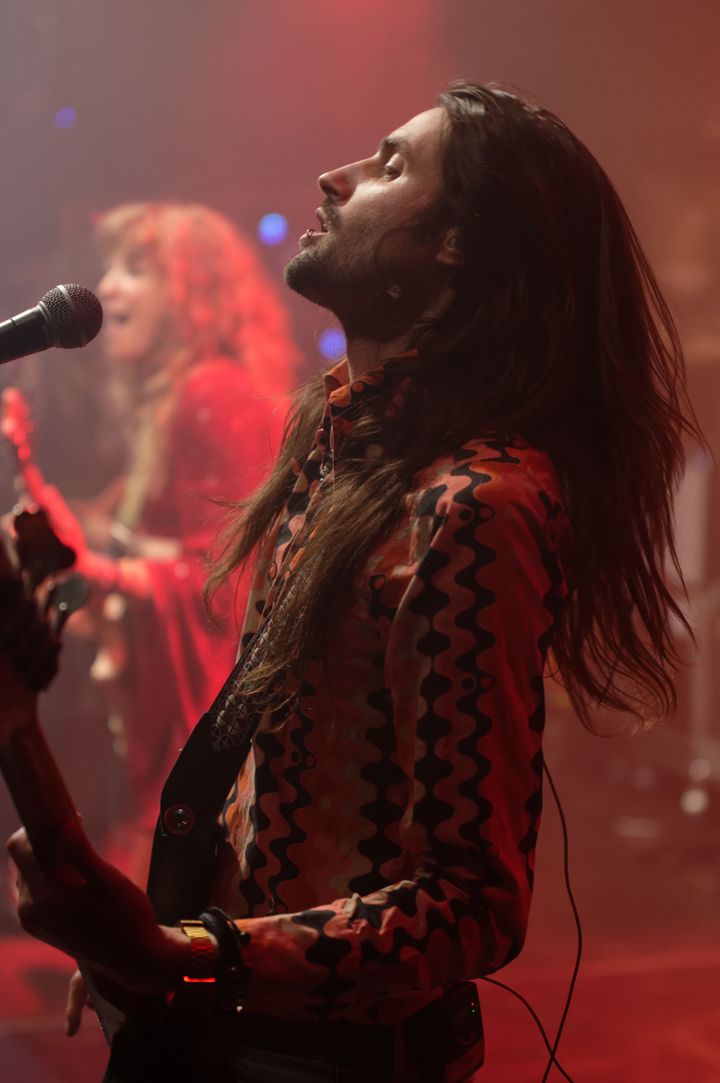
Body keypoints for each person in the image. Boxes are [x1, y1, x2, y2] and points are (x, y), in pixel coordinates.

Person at [4, 84, 700, 1081]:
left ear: (455, 246)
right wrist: (166, 941)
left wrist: (186, 958)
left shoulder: (475, 503)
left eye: (390, 165)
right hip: (244, 1029)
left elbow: (473, 904)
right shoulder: (341, 451)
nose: (335, 177)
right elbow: (273, 773)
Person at [7, 202, 297, 881]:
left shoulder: (211, 393)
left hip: (200, 708)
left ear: (194, 295)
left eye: (136, 270)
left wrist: (107, 574)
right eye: (111, 267)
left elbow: (229, 578)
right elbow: (126, 539)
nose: (108, 285)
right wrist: (24, 466)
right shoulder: (177, 398)